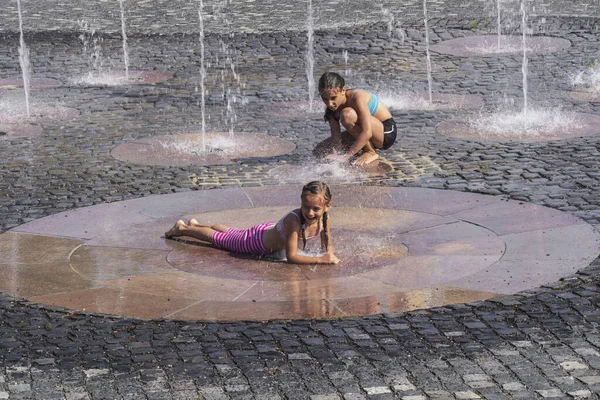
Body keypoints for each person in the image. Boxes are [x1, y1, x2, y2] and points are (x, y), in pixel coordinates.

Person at [164, 181, 340, 265]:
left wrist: (330, 254)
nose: (310, 213)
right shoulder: (294, 221)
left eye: (315, 209)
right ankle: (183, 229)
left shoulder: (326, 218)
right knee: (219, 239)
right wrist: (320, 260)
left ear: (327, 206)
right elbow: (292, 256)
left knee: (232, 232)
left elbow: (327, 242)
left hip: (264, 231)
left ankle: (197, 224)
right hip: (255, 243)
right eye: (306, 207)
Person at [313, 71, 397, 166]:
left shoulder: (357, 98)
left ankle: (370, 152)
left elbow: (367, 131)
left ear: (343, 90)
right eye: (325, 99)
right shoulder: (331, 109)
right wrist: (336, 155)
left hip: (385, 132)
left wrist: (346, 156)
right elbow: (336, 136)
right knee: (320, 151)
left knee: (347, 115)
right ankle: (361, 150)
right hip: (363, 132)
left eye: (333, 98)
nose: (329, 104)